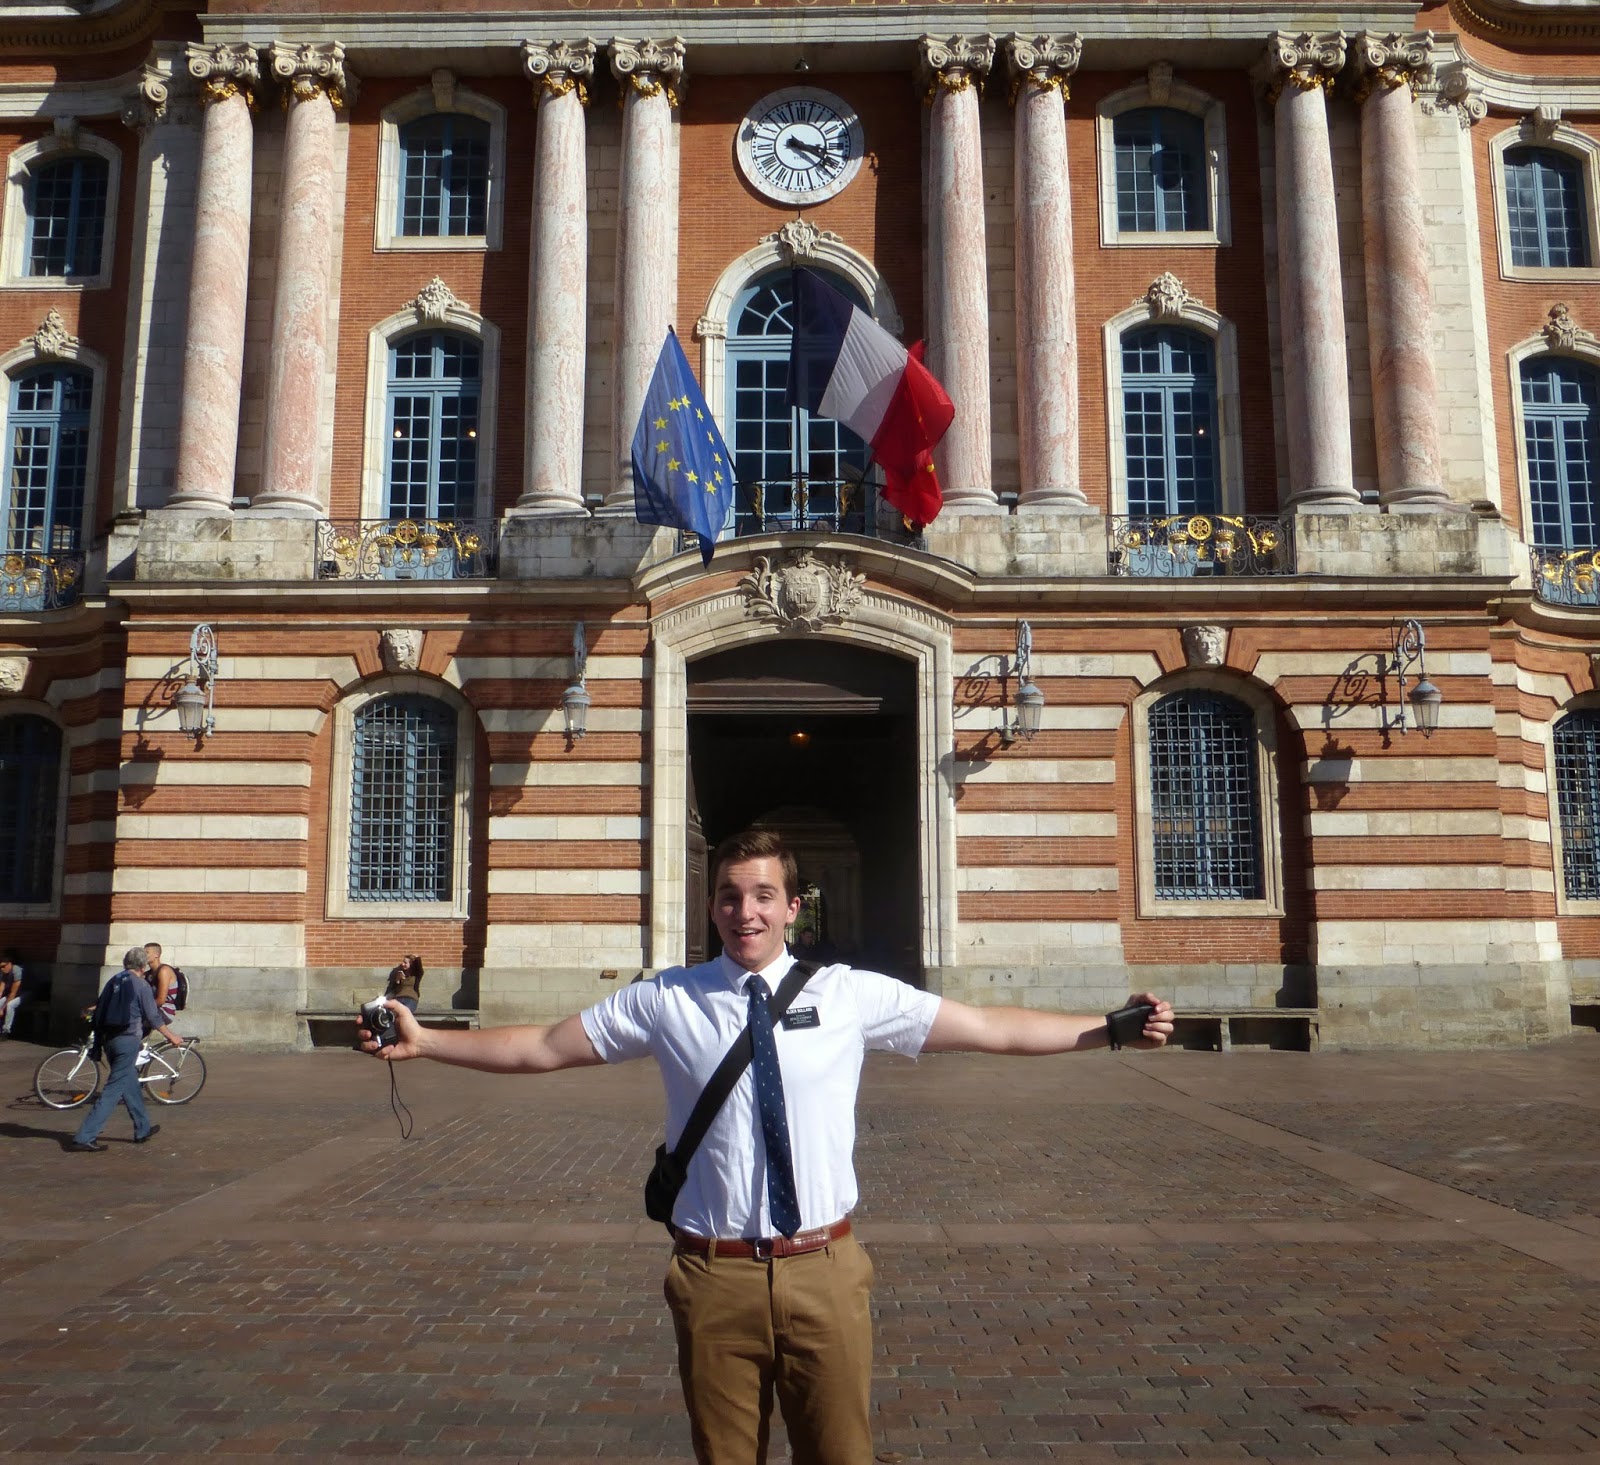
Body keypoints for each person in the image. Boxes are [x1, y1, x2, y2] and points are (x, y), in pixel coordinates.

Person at [358, 828, 1174, 1464]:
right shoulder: (667, 999)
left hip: (826, 1269)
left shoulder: (847, 994)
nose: (744, 911)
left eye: (762, 895)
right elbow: (541, 1044)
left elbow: (990, 1025)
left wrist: (1108, 1029)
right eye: (729, 895)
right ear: (712, 906)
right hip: (714, 1276)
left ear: (792, 907)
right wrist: (427, 1042)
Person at [71, 948, 184, 1153]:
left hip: (109, 1040)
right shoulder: (141, 985)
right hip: (128, 1040)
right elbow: (153, 1016)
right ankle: (85, 1136)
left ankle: (143, 1128)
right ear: (143, 965)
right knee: (113, 1089)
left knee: (129, 1082)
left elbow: (100, 1008)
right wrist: (171, 1036)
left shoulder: (114, 981)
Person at [144, 942, 179, 1025]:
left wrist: (142, 1007)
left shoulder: (164, 971)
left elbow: (161, 1000)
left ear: (156, 955)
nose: (143, 956)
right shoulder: (148, 973)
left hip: (165, 1011)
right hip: (153, 1009)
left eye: (147, 953)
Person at [0, 951, 22, 1037]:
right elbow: (1, 988)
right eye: (0, 967)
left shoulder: (17, 970)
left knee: (10, 1005)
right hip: (13, 993)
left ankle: (6, 1031)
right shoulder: (4, 972)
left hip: (25, 993)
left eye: (3, 966)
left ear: (9, 964)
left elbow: (13, 993)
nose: (2, 969)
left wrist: (2, 1009)